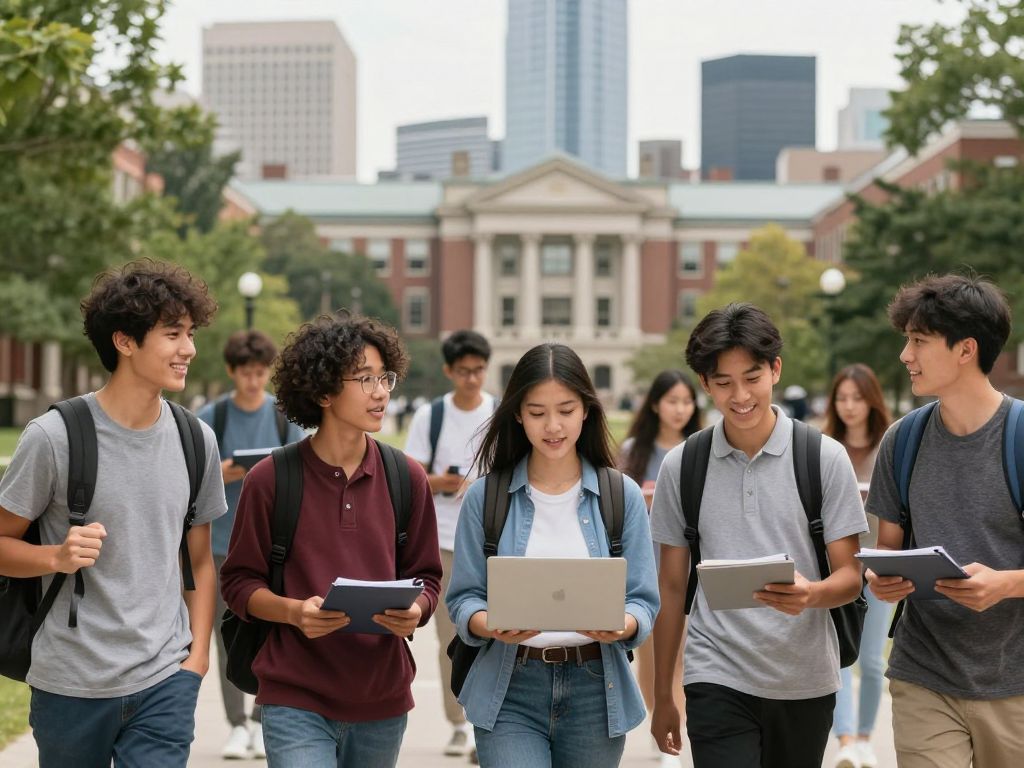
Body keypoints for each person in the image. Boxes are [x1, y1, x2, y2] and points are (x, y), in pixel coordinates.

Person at [0, 260, 227, 767]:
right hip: (70, 682)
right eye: (173, 334)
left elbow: (200, 559)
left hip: (166, 677)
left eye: (190, 333)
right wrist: (55, 556)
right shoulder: (53, 437)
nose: (189, 348)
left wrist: (196, 659)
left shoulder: (197, 441)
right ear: (124, 342)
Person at [219, 312, 442, 768]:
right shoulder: (271, 479)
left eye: (385, 377)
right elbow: (239, 583)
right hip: (293, 694)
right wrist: (293, 612)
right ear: (322, 391)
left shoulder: (407, 477)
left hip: (382, 697)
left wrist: (415, 611)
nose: (381, 392)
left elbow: (427, 577)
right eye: (364, 379)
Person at [650, 302, 867, 768]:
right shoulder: (682, 466)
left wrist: (811, 594)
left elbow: (851, 576)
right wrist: (664, 692)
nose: (739, 395)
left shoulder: (823, 459)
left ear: (775, 370)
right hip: (715, 671)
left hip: (804, 676)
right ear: (705, 383)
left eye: (751, 378)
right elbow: (669, 587)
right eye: (723, 382)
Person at [446, 343, 660, 768]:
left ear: (586, 410)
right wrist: (487, 623)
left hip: (596, 690)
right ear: (518, 414)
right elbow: (463, 597)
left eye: (565, 409)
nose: (553, 426)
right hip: (510, 688)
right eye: (537, 412)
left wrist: (623, 624)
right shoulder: (485, 498)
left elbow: (643, 599)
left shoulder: (622, 496)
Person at [865, 274, 1024, 768]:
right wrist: (881, 578)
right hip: (923, 674)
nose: (905, 356)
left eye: (918, 341)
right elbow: (885, 551)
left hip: (1015, 684)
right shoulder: (902, 440)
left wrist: (1006, 583)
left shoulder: (1019, 439)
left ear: (965, 350)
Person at [196, 329, 306, 760]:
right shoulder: (212, 416)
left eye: (261, 373)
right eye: (246, 373)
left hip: (274, 547)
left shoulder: (284, 419)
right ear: (232, 372)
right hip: (222, 544)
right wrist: (217, 475)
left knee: (272, 635)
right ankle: (236, 724)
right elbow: (190, 480)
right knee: (230, 637)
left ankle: (262, 721)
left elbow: (303, 474)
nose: (254, 381)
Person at [404, 329, 496, 758]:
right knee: (450, 638)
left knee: (495, 635)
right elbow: (413, 475)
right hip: (441, 540)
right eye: (464, 371)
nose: (472, 379)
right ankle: (458, 721)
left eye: (479, 370)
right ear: (449, 371)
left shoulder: (499, 412)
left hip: (492, 542)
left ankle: (487, 721)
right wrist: (443, 482)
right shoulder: (431, 416)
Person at [618, 370, 701, 767]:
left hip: (687, 570)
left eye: (687, 401)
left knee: (680, 658)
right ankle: (659, 723)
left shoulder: (700, 449)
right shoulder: (634, 451)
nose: (680, 409)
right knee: (650, 662)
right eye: (672, 401)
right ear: (655, 404)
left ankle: (675, 738)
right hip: (643, 571)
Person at [823, 364, 892, 768]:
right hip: (837, 569)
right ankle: (846, 739)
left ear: (872, 400)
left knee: (870, 659)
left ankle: (865, 738)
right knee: (840, 656)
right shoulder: (826, 446)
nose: (849, 406)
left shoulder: (889, 445)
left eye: (857, 397)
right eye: (842, 398)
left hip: (880, 568)